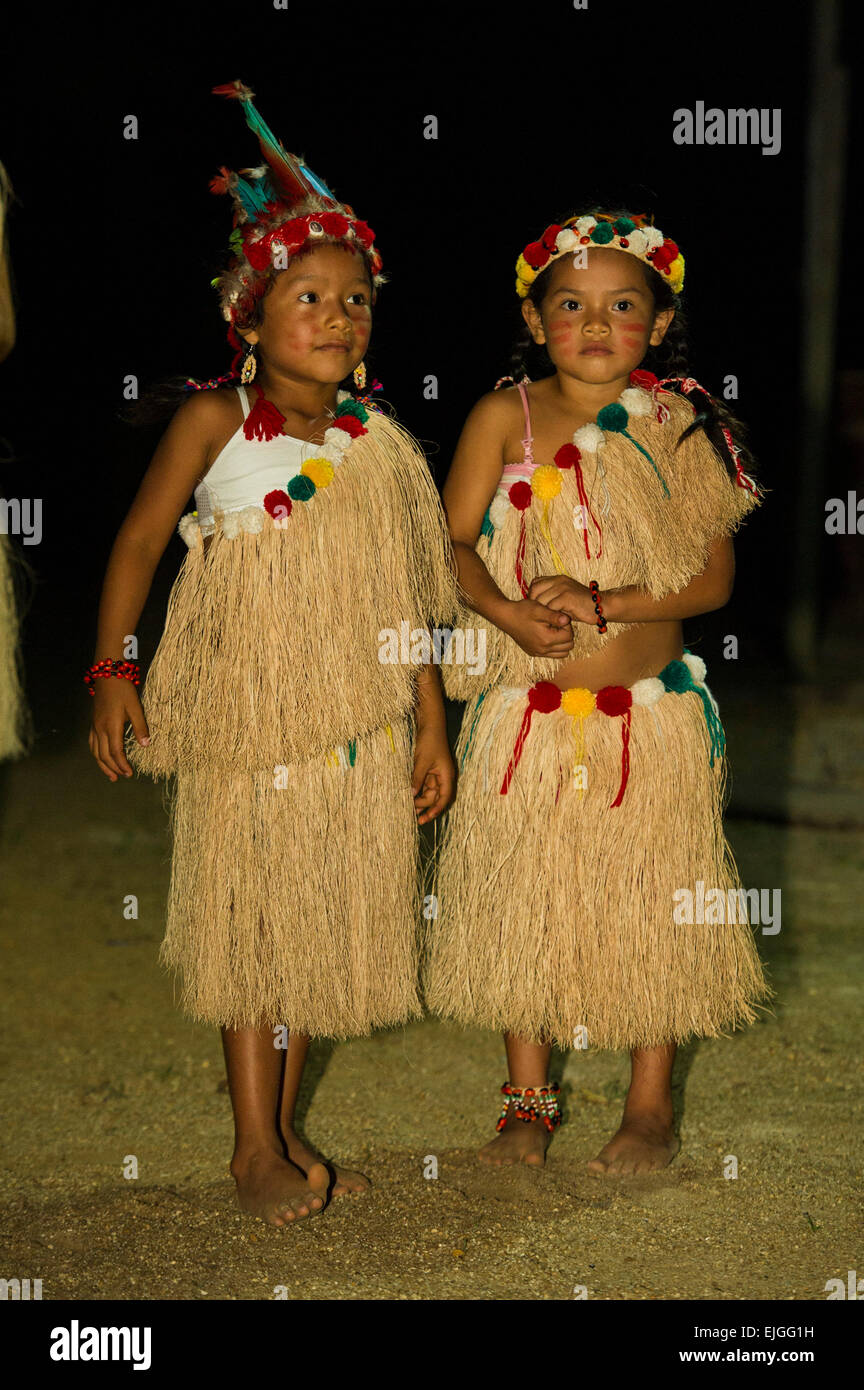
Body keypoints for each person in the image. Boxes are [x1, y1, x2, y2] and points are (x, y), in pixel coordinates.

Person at [88, 82, 458, 1225]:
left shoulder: (381, 444)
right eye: (310, 295)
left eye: (357, 299)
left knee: (307, 926)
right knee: (252, 929)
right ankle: (254, 1146)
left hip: (355, 724)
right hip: (249, 724)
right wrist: (115, 671)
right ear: (248, 316)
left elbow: (409, 594)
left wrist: (431, 720)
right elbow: (141, 542)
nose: (340, 316)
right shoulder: (215, 420)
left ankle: (283, 1121)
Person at [426, 209, 772, 1176]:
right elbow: (450, 543)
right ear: (535, 321)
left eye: (623, 306)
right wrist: (503, 609)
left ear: (658, 325)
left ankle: (649, 1104)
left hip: (648, 722)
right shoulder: (503, 418)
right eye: (570, 304)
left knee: (653, 907)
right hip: (524, 716)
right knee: (526, 904)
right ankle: (526, 1104)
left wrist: (601, 600)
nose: (595, 322)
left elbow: (712, 580)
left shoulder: (681, 426)